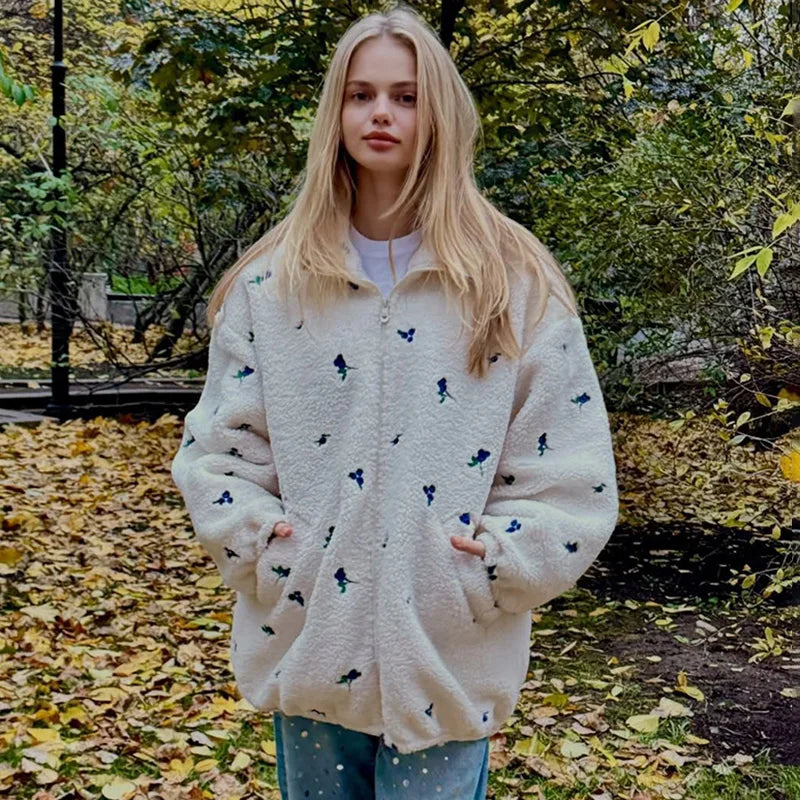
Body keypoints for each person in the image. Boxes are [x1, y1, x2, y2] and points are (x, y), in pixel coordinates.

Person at [170, 3, 619, 798]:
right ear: (335, 112)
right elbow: (219, 453)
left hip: (448, 662)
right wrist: (268, 551)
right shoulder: (272, 285)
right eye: (362, 94)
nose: (381, 113)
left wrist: (491, 571)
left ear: (438, 112)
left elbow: (570, 464)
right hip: (311, 645)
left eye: (406, 96)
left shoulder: (512, 281)